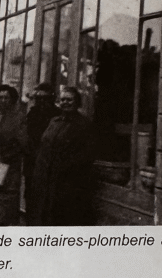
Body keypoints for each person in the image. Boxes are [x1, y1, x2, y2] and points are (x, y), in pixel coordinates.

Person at [28, 86, 96, 226]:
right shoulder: (54, 121)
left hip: (67, 183)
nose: (66, 102)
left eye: (69, 100)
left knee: (61, 218)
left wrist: (64, 168)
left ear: (77, 102)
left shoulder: (83, 125)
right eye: (63, 99)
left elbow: (86, 155)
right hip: (45, 180)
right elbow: (44, 146)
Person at [0, 84, 27, 226]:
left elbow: (22, 141)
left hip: (9, 164)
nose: (2, 100)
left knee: (7, 198)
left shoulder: (18, 118)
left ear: (12, 100)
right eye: (0, 97)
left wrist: (8, 153)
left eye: (6, 98)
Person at [23, 83, 60, 221]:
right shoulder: (32, 113)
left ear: (52, 99)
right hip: (32, 163)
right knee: (31, 197)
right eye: (39, 99)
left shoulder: (57, 115)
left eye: (46, 99)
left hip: (49, 165)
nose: (42, 102)